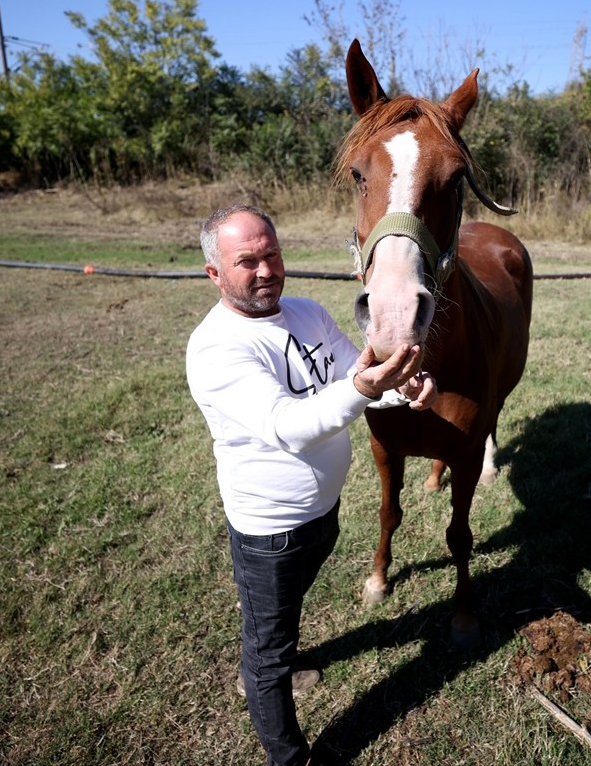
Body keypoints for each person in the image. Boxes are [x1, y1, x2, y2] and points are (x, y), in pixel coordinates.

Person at [185, 204, 436, 766]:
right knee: (267, 654)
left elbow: (356, 374)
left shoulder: (306, 312)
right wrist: (369, 388)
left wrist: (404, 387)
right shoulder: (217, 348)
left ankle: (280, 656)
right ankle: (289, 756)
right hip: (270, 533)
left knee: (284, 617)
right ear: (214, 274)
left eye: (271, 254)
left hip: (320, 516)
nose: (265, 270)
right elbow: (289, 427)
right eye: (246, 261)